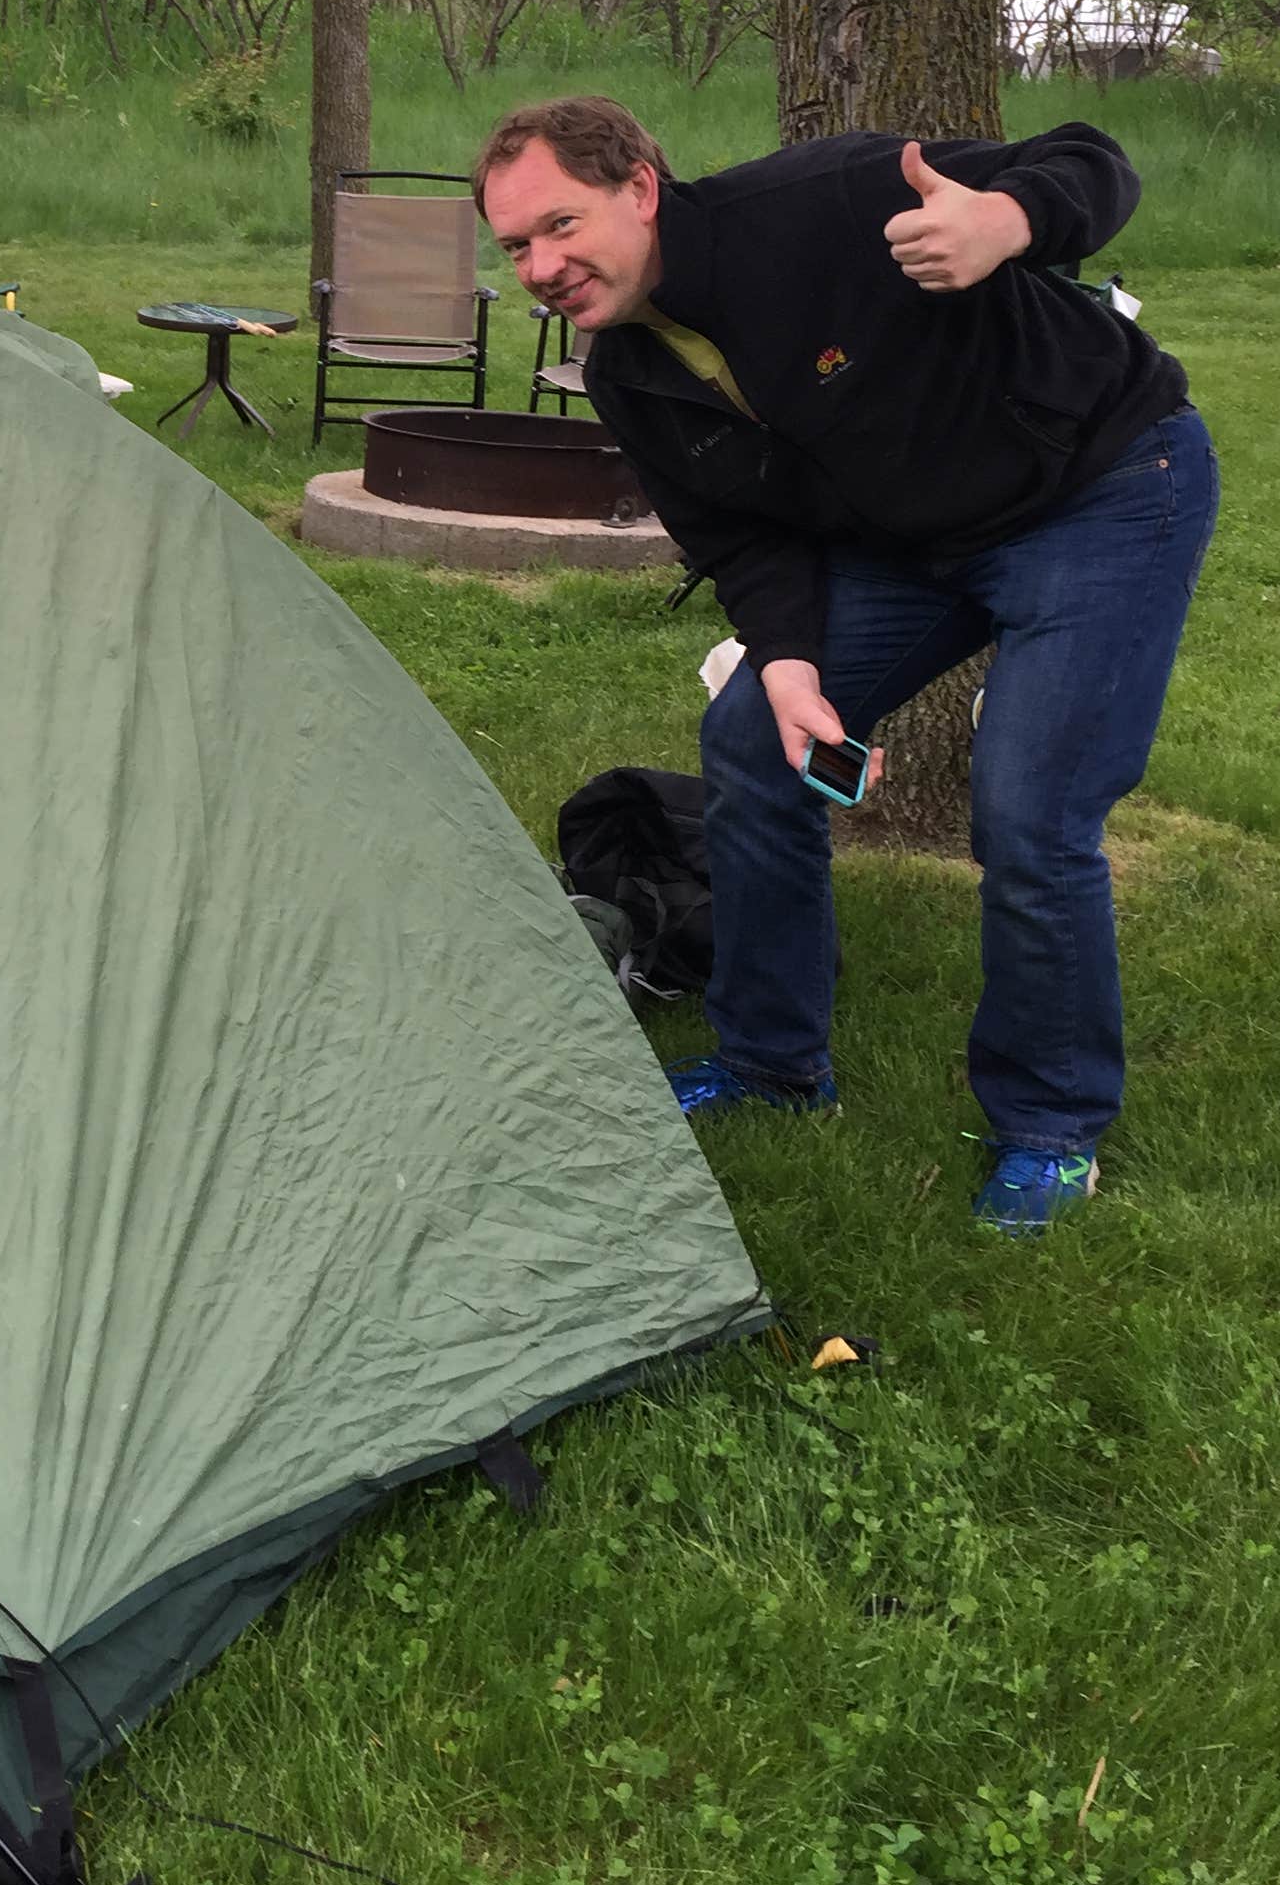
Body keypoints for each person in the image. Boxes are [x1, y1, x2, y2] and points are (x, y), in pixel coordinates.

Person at [475, 95, 1218, 1233]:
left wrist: (1010, 220)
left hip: (1102, 492)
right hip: (914, 543)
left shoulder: (824, 201)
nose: (540, 266)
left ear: (639, 184)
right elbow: (741, 534)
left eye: (560, 227)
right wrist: (785, 661)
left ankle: (1051, 1125)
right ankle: (774, 1064)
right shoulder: (626, 372)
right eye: (517, 246)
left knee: (1028, 810)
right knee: (749, 745)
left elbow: (1093, 162)